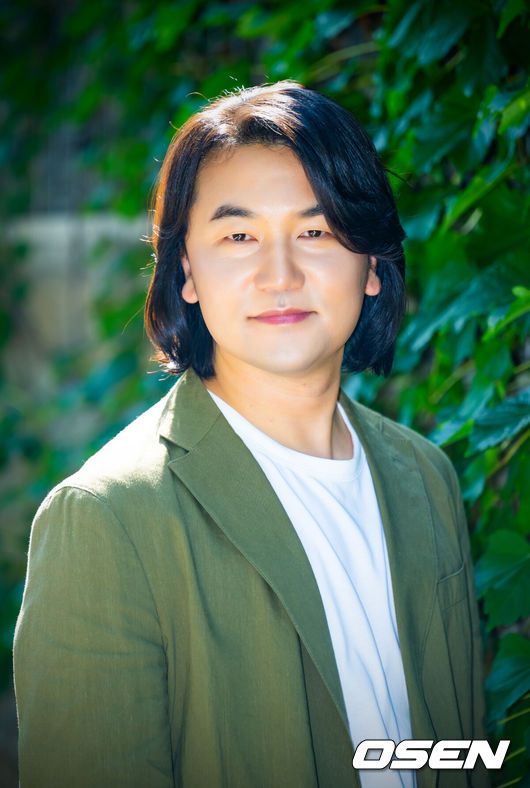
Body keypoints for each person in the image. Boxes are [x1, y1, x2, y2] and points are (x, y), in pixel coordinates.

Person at [13, 80, 489, 788]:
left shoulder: (425, 475)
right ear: (187, 273)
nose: (280, 275)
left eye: (315, 232)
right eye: (239, 237)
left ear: (372, 266)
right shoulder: (108, 519)